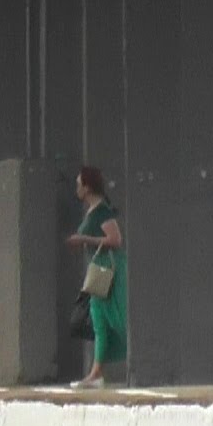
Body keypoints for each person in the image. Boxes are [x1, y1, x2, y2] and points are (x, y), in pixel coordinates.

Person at [68, 166, 126, 389]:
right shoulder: (93, 210)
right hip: (98, 267)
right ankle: (96, 373)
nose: (77, 188)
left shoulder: (101, 211)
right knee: (98, 317)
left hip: (104, 268)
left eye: (79, 184)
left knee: (100, 317)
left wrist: (84, 238)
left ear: (88, 187)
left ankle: (95, 374)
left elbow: (115, 239)